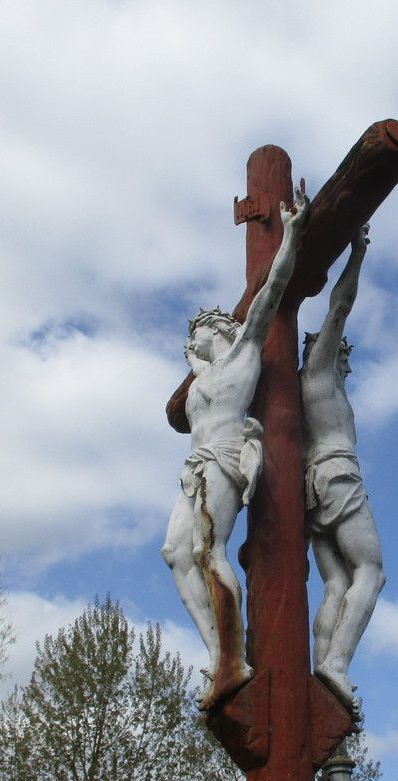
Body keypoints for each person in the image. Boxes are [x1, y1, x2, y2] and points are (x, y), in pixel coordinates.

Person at [162, 186, 308, 709]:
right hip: (193, 467)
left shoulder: (244, 351)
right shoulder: (200, 379)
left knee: (209, 550)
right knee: (176, 554)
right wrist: (194, 361)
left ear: (217, 329)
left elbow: (272, 288)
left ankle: (234, 660)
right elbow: (187, 388)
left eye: (198, 332)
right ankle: (219, 654)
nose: (192, 341)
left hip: (224, 458)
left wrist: (291, 235)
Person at [300, 223, 384, 713]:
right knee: (371, 571)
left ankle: (322, 668)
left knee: (336, 583)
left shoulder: (315, 391)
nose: (347, 364)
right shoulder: (318, 374)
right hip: (338, 475)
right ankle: (336, 664)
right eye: (343, 355)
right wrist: (357, 253)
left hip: (314, 487)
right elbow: (340, 307)